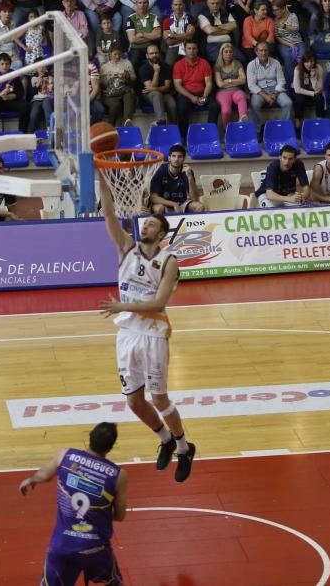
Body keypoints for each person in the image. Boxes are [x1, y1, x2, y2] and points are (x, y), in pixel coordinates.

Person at [97, 174, 196, 483]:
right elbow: (109, 213)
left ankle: (183, 446)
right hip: (127, 334)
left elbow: (158, 303)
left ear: (162, 233)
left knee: (160, 399)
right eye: (145, 224)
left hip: (153, 333)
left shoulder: (169, 261)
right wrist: (100, 172)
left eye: (152, 225)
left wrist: (123, 306)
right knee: (133, 401)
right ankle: (165, 439)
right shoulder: (126, 249)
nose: (146, 226)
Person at [19, 422, 128, 586]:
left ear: (89, 436)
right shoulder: (118, 475)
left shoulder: (65, 455)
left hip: (62, 545)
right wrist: (98, 513)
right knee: (112, 583)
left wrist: (31, 479)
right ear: (111, 447)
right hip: (95, 547)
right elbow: (120, 516)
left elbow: (44, 475)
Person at [172, 40, 218, 138]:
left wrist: (204, 97)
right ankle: (184, 137)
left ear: (197, 50)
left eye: (194, 48)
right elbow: (177, 86)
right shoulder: (178, 65)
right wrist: (191, 97)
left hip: (202, 92)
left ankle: (210, 135)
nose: (191, 51)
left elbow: (209, 83)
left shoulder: (204, 63)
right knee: (181, 108)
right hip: (186, 94)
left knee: (215, 106)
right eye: (189, 48)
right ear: (185, 50)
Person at [247, 40, 293, 133]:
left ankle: (284, 129)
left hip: (275, 90)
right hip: (260, 92)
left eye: (265, 50)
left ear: (268, 51)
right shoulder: (251, 65)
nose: (263, 53)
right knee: (254, 104)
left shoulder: (276, 63)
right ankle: (258, 130)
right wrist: (266, 97)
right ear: (256, 52)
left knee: (288, 103)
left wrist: (275, 95)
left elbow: (281, 81)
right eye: (261, 50)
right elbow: (252, 85)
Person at [149, 144, 202, 214]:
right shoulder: (160, 170)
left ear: (184, 158)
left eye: (179, 157)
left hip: (181, 204)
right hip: (164, 203)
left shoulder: (187, 170)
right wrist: (173, 204)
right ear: (169, 158)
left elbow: (195, 199)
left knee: (199, 207)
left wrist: (190, 178)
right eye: (174, 156)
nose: (176, 159)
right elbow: (154, 198)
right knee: (158, 208)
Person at [139, 43, 177, 125]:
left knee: (172, 104)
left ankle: (173, 128)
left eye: (156, 53)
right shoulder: (143, 69)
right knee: (156, 94)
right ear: (147, 56)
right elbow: (150, 88)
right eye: (151, 53)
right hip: (148, 95)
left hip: (164, 93)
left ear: (159, 54)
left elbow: (167, 87)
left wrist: (154, 88)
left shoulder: (166, 67)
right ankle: (161, 121)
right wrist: (156, 72)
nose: (154, 55)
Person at [213, 43, 248, 131]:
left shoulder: (237, 63)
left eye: (230, 52)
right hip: (223, 92)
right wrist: (236, 81)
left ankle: (242, 120)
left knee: (242, 96)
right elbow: (220, 84)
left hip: (236, 90)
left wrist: (228, 81)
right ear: (222, 53)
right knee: (226, 111)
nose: (228, 54)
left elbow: (243, 80)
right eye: (226, 52)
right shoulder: (218, 66)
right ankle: (227, 131)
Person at [101, 44, 137, 125]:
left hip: (125, 89)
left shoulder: (127, 63)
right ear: (110, 54)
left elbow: (134, 78)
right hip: (110, 92)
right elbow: (101, 84)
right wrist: (109, 79)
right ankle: (110, 124)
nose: (117, 56)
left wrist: (127, 76)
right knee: (116, 105)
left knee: (129, 96)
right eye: (115, 54)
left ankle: (127, 122)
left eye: (119, 54)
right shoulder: (104, 66)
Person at [198, 0, 237, 65]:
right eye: (212, 3)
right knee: (220, 60)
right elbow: (210, 31)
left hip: (228, 44)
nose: (215, 5)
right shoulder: (202, 15)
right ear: (207, 3)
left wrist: (216, 26)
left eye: (217, 3)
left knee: (242, 59)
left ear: (221, 3)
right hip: (213, 45)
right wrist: (227, 30)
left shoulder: (226, 13)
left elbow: (234, 25)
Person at [291, 51, 326, 130]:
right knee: (299, 99)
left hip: (313, 90)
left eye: (312, 61)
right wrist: (312, 93)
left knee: (319, 99)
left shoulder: (318, 68)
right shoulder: (298, 69)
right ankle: (297, 122)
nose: (310, 64)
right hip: (301, 91)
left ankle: (319, 122)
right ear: (303, 61)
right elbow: (297, 89)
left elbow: (320, 88)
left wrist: (313, 78)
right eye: (307, 61)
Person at [271, 0, 305, 79]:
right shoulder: (274, 21)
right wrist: (290, 45)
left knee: (302, 57)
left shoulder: (293, 16)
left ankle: (301, 81)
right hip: (284, 43)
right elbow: (278, 37)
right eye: (273, 10)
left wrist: (284, 26)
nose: (274, 12)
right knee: (288, 57)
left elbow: (296, 29)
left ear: (283, 9)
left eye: (276, 10)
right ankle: (290, 84)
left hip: (298, 41)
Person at [162, 0, 195, 66]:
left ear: (184, 6)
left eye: (180, 4)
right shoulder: (167, 21)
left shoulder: (191, 19)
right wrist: (185, 36)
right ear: (172, 6)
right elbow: (169, 41)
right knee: (168, 65)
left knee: (189, 64)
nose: (178, 7)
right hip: (173, 46)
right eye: (175, 5)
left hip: (187, 46)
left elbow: (190, 37)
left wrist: (173, 35)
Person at [29, 64, 54, 131]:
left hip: (48, 98)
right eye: (39, 67)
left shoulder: (51, 77)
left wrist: (50, 84)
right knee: (34, 113)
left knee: (46, 105)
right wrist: (37, 83)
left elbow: (52, 90)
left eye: (43, 66)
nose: (41, 68)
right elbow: (31, 93)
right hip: (37, 100)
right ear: (36, 69)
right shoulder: (33, 79)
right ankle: (32, 132)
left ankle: (50, 131)